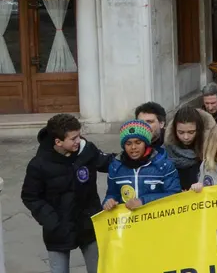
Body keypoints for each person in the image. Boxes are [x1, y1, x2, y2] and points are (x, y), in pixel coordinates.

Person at [21, 114, 112, 273]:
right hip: (57, 230)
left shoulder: (87, 150)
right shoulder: (39, 164)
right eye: (73, 138)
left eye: (79, 135)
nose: (79, 140)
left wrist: (131, 155)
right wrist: (51, 221)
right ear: (58, 142)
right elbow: (30, 196)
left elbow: (110, 163)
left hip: (89, 224)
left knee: (99, 269)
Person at [102, 120, 180, 211]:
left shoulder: (164, 165)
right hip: (128, 222)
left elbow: (174, 195)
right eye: (128, 143)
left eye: (138, 142)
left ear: (146, 144)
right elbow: (112, 194)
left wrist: (143, 201)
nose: (133, 147)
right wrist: (108, 202)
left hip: (158, 220)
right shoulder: (115, 167)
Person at [164, 106, 216, 191]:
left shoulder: (211, 148)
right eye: (180, 132)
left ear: (199, 130)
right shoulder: (166, 150)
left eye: (191, 132)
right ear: (174, 130)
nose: (186, 137)